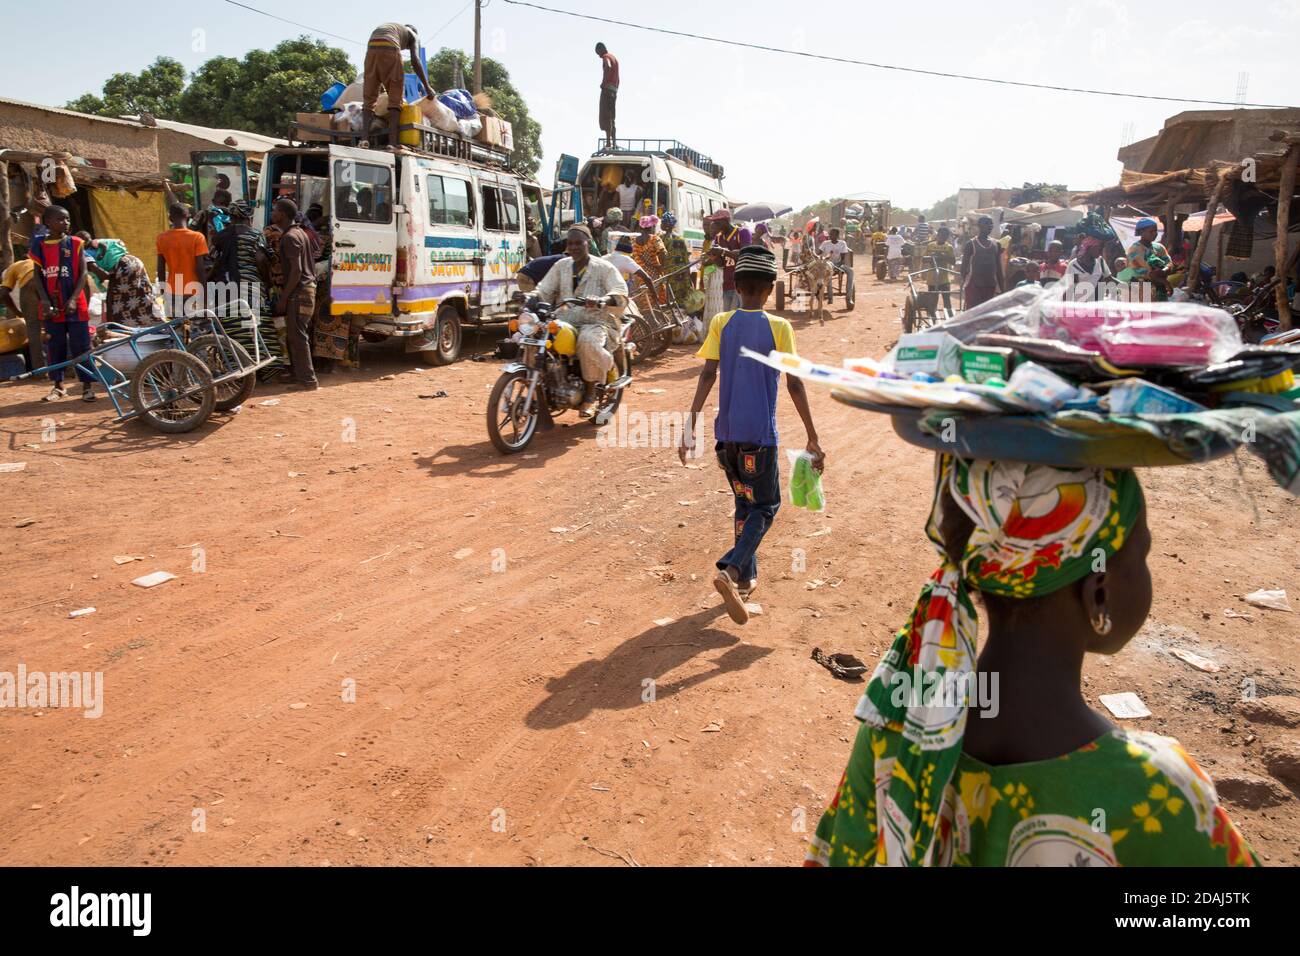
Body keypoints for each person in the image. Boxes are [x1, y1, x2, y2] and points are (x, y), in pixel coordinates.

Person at [805, 456, 1259, 868]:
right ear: (1097, 589)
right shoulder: (1156, 790)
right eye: (1142, 555)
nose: (1144, 571)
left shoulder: (894, 735)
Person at [679, 245, 824, 626]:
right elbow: (794, 384)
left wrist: (691, 423)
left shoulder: (721, 323)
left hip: (726, 439)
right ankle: (731, 568)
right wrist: (813, 436)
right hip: (760, 439)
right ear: (770, 287)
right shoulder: (779, 327)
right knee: (766, 506)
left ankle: (745, 579)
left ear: (737, 285)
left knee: (745, 504)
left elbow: (708, 375)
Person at [534, 224, 629, 417]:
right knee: (535, 336)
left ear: (589, 243)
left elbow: (620, 292)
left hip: (597, 322)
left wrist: (603, 300)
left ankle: (591, 395)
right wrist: (530, 297)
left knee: (586, 341)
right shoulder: (561, 265)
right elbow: (544, 290)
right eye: (570, 243)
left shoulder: (604, 268)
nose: (574, 247)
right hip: (564, 319)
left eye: (579, 242)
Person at [28, 206, 95, 402]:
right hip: (51, 305)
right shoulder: (39, 245)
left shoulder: (75, 243)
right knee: (54, 345)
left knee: (81, 345)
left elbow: (83, 273)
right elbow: (37, 276)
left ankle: (87, 386)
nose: (65, 223)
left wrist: (74, 298)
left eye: (67, 220)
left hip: (75, 303)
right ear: (48, 222)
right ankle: (58, 386)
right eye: (60, 219)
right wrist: (45, 300)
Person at [360, 22, 431, 150]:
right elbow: (415, 61)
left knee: (369, 98)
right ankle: (392, 143)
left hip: (371, 48)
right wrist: (427, 87)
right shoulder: (413, 34)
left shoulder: (393, 28)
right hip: (390, 47)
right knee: (395, 97)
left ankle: (364, 139)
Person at [272, 199, 318, 390]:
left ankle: (308, 380)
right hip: (307, 291)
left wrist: (284, 298)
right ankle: (302, 377)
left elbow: (296, 271)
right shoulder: (301, 233)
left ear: (282, 214)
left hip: (299, 293)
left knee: (298, 337)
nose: (273, 214)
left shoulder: (290, 237)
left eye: (275, 211)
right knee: (297, 336)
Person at [156, 203, 208, 318]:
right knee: (195, 330)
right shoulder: (197, 237)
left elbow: (160, 269)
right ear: (188, 216)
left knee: (177, 330)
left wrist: (163, 292)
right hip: (193, 291)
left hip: (172, 291)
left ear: (170, 218)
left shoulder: (161, 238)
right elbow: (200, 269)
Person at [0, 254, 45, 373]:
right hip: (48, 282)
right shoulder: (41, 260)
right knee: (54, 327)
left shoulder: (14, 267)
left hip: (29, 284)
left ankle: (40, 371)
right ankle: (65, 367)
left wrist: (17, 312)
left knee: (33, 331)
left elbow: (3, 293)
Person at [706, 209, 752, 311]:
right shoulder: (719, 238)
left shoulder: (742, 232)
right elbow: (722, 264)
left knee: (738, 316)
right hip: (727, 284)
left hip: (741, 283)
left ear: (726, 221)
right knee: (727, 317)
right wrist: (715, 258)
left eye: (717, 223)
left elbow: (745, 254)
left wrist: (722, 252)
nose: (715, 225)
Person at [960, 215, 1004, 308]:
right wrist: (966, 284)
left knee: (985, 314)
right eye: (987, 223)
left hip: (990, 285)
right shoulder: (971, 244)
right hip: (974, 285)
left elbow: (998, 269)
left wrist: (1002, 289)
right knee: (972, 314)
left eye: (991, 224)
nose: (990, 226)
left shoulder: (996, 244)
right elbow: (963, 268)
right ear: (979, 225)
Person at [1126, 217, 1172, 301]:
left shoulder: (1159, 247)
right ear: (1141, 232)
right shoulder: (1134, 250)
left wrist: (1164, 270)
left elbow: (1169, 263)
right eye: (1151, 231)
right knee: (1145, 312)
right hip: (1142, 290)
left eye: (1156, 231)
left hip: (1160, 289)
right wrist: (1165, 282)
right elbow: (1147, 273)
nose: (1155, 234)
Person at [660, 212, 694, 309]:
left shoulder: (661, 239)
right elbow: (686, 259)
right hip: (681, 273)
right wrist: (688, 276)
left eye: (662, 223)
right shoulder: (680, 239)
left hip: (668, 273)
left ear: (666, 225)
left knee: (669, 298)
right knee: (681, 299)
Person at [631, 215, 667, 304]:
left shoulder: (634, 241)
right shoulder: (654, 239)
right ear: (651, 227)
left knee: (644, 297)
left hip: (639, 274)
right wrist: (661, 266)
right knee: (655, 297)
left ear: (640, 227)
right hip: (653, 273)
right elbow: (663, 252)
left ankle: (647, 313)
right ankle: (655, 314)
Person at [1064, 236, 1112, 301]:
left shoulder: (1100, 261)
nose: (1100, 252)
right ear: (1090, 248)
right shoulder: (1073, 265)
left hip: (1097, 304)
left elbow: (1109, 279)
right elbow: (1068, 288)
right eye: (1099, 249)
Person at [924, 226, 956, 313]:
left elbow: (953, 261)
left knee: (947, 301)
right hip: (932, 279)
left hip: (944, 279)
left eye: (945, 236)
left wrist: (943, 256)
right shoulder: (930, 246)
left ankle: (949, 319)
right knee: (932, 301)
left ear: (947, 237)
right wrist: (932, 257)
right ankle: (932, 319)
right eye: (941, 235)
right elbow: (924, 259)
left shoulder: (949, 247)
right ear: (937, 235)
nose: (943, 237)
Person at [819, 227, 853, 304]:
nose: (830, 236)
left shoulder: (842, 243)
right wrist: (812, 253)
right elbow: (819, 252)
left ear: (837, 236)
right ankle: (830, 297)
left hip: (839, 264)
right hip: (827, 264)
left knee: (850, 271)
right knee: (829, 273)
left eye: (832, 234)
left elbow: (843, 258)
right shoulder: (825, 243)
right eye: (830, 234)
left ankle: (849, 298)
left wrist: (839, 265)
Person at [596, 42, 619, 148]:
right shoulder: (615, 58)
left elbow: (608, 67)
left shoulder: (606, 57)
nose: (599, 56)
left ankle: (608, 142)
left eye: (598, 53)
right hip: (614, 90)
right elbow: (618, 78)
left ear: (601, 50)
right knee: (612, 117)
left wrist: (604, 82)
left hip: (607, 89)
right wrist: (616, 88)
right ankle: (613, 142)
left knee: (605, 116)